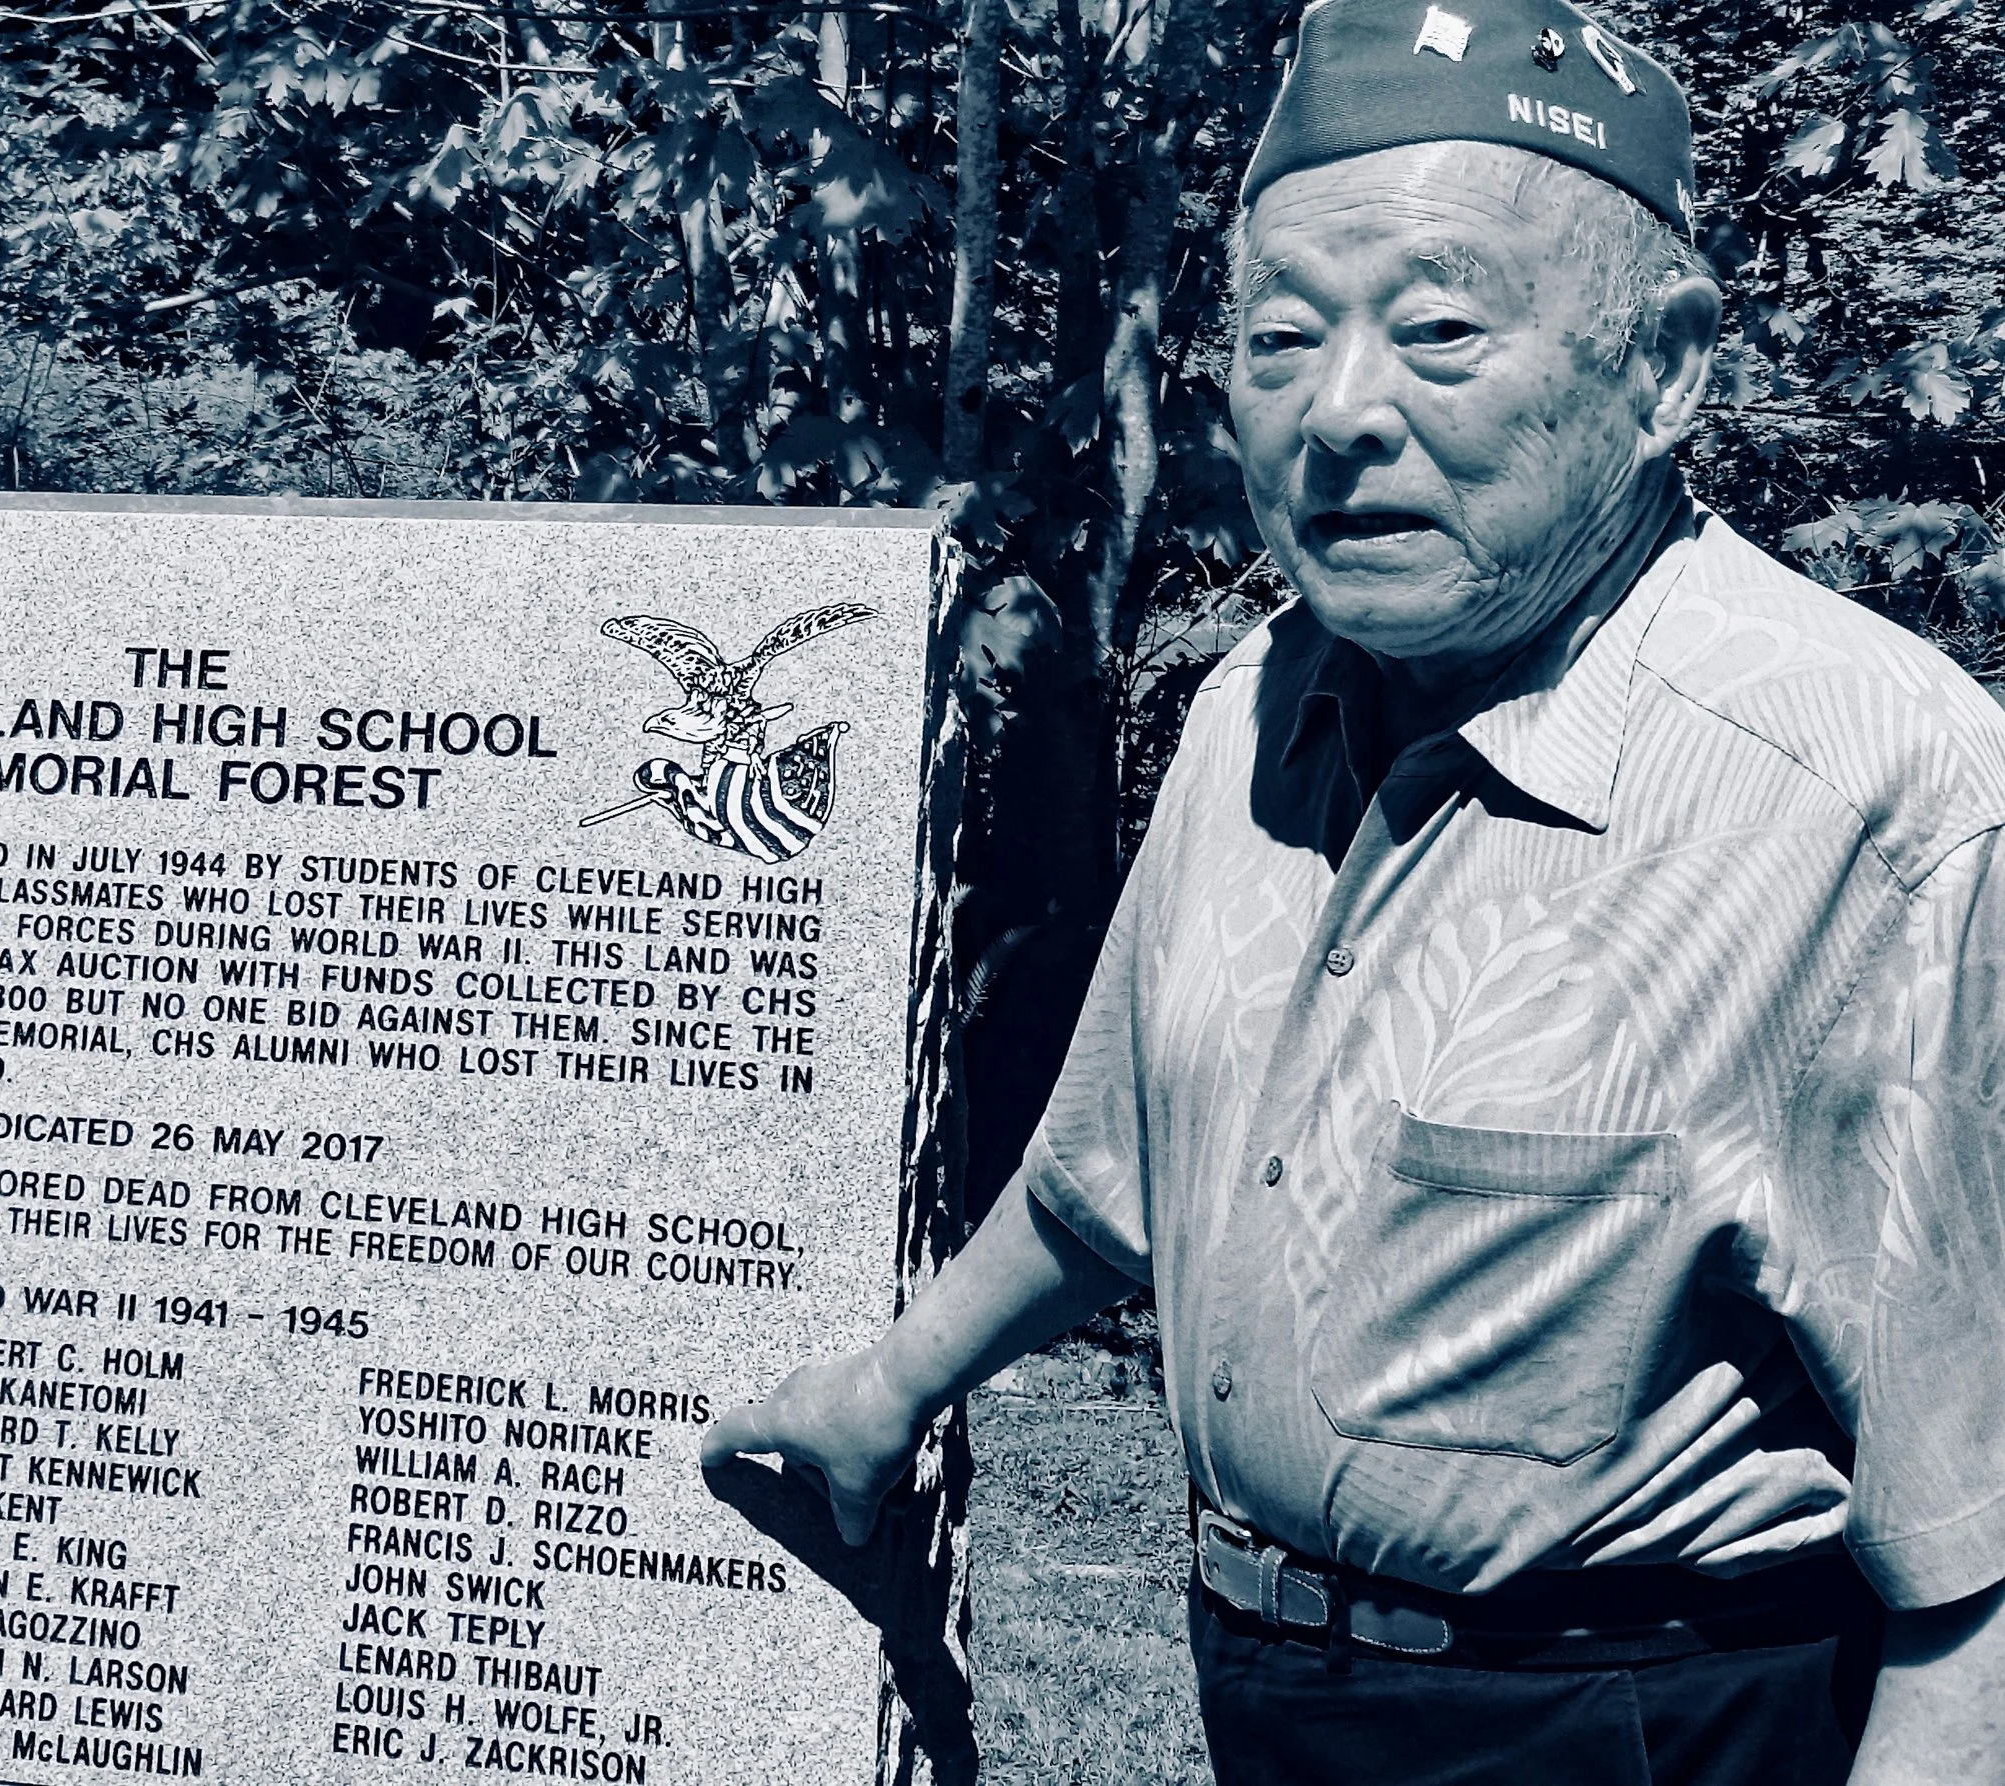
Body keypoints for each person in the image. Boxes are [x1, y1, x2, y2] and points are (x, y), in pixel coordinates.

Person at [702, 0, 2005, 1778]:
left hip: (1634, 1717)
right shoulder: (1260, 697)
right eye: (1280, 338)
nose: (1338, 414)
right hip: (1263, 1681)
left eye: (1440, 329)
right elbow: (1121, 1173)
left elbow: (1974, 1572)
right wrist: (893, 1380)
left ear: (1669, 370)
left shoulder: (1880, 792)